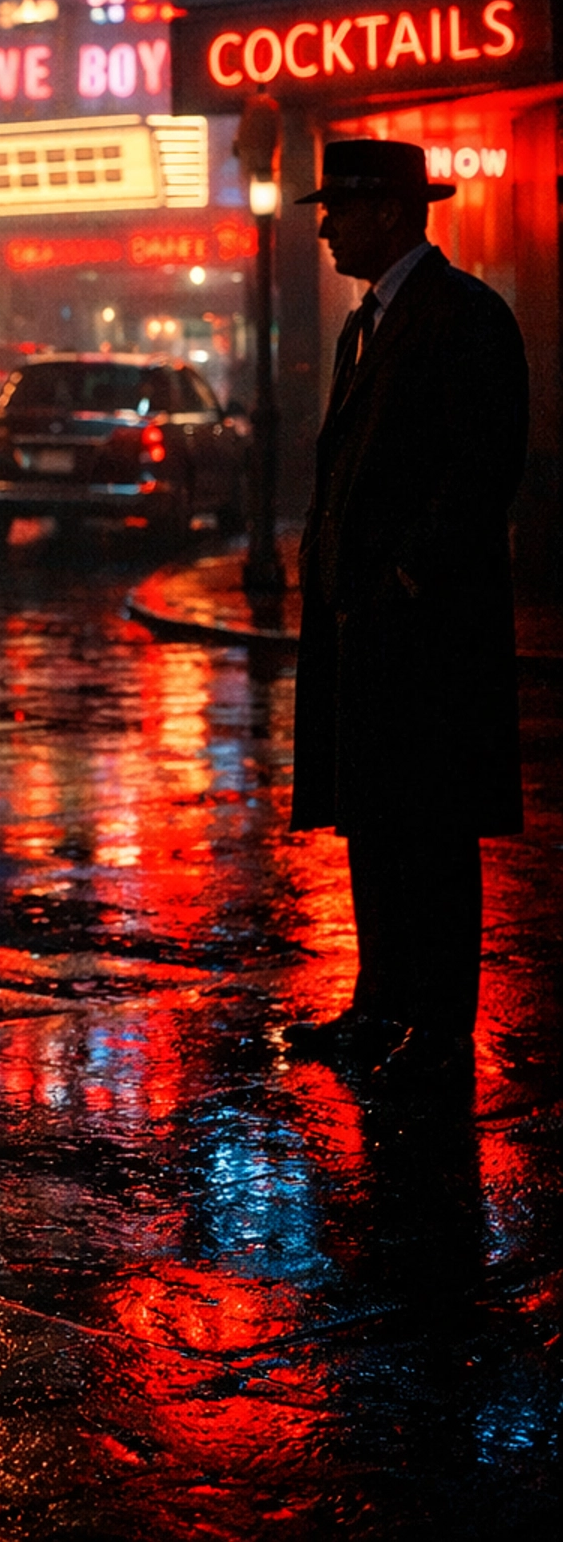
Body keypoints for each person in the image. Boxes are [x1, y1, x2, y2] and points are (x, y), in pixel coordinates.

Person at [287, 138, 528, 1088]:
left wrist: (405, 581)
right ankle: (379, 1003)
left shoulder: (465, 316)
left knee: (431, 828)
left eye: (338, 209)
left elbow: (481, 472)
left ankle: (437, 1025)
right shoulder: (367, 323)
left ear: (389, 212)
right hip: (364, 626)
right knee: (374, 819)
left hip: (428, 637)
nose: (325, 229)